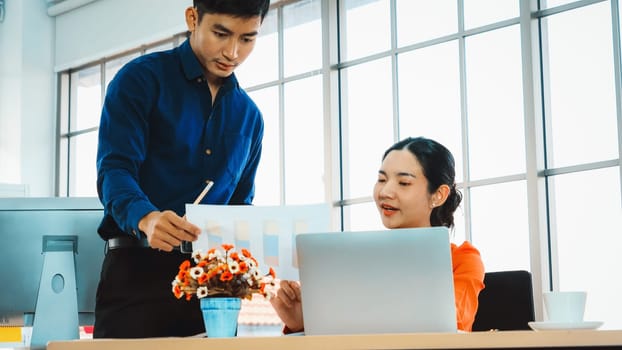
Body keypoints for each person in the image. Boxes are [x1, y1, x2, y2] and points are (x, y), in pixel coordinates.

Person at [94, 0, 270, 338]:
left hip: (212, 292)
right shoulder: (140, 80)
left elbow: (239, 207)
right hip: (135, 279)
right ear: (193, 18)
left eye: (247, 39)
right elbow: (115, 169)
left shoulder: (250, 118)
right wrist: (148, 218)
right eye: (221, 33)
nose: (232, 52)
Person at [271, 136, 486, 332]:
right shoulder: (353, 260)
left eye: (404, 183)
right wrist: (302, 323)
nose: (385, 192)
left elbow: (452, 324)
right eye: (382, 180)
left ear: (438, 195)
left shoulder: (463, 259)